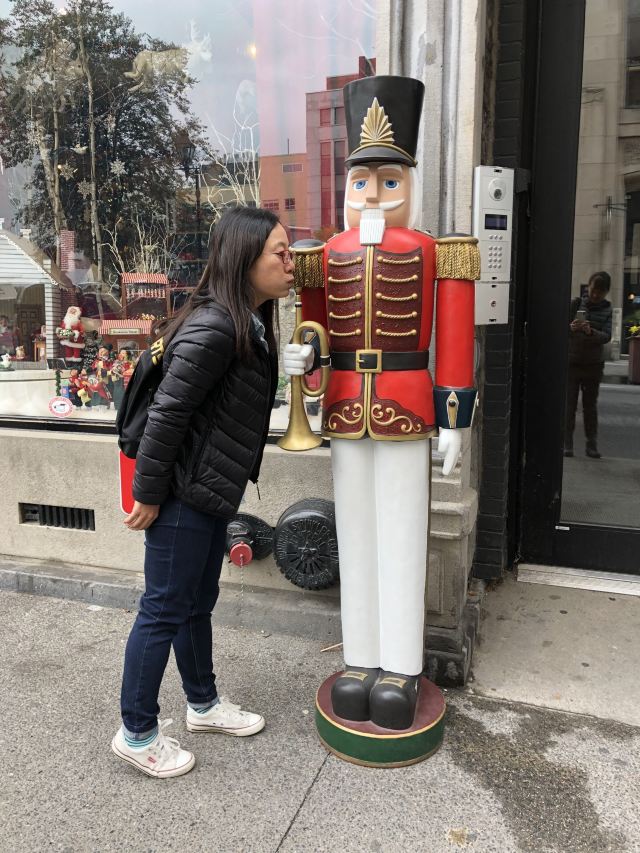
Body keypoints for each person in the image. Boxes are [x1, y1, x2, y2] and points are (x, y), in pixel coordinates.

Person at [283, 75, 478, 733]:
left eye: (387, 181)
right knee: (357, 537)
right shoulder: (324, 254)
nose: (371, 194)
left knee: (401, 537)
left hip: (406, 404)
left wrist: (454, 420)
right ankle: (360, 658)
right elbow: (313, 324)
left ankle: (401, 666)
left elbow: (454, 338)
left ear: (408, 183)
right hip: (345, 407)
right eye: (361, 181)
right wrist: (306, 361)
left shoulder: (435, 251)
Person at [112, 206, 293, 778]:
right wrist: (147, 494)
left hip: (210, 490)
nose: (291, 263)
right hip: (181, 494)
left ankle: (203, 704)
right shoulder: (216, 327)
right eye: (281, 253)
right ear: (245, 259)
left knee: (196, 603)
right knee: (163, 608)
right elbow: (168, 414)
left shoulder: (248, 321)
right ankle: (137, 733)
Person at [565, 271, 613, 459]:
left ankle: (591, 445)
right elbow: (560, 328)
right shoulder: (576, 304)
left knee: (590, 407)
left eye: (599, 293)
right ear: (589, 287)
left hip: (593, 365)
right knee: (569, 406)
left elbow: (607, 336)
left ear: (606, 292)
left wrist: (590, 331)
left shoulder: (608, 310)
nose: (595, 295)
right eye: (593, 290)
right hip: (572, 363)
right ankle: (567, 444)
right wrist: (571, 327)